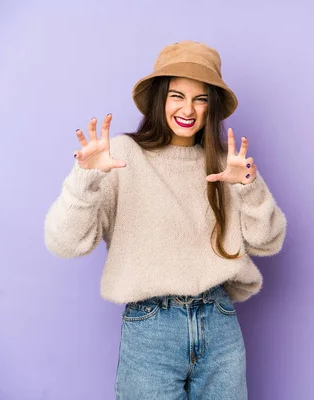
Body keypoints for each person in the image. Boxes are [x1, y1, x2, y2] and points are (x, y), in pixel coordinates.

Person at [44, 40, 287, 399]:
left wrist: (248, 187)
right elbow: (65, 243)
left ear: (211, 107)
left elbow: (269, 242)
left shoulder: (226, 163)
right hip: (151, 330)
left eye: (200, 99)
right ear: (160, 99)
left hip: (219, 322)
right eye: (177, 95)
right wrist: (85, 180)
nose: (188, 109)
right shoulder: (123, 156)